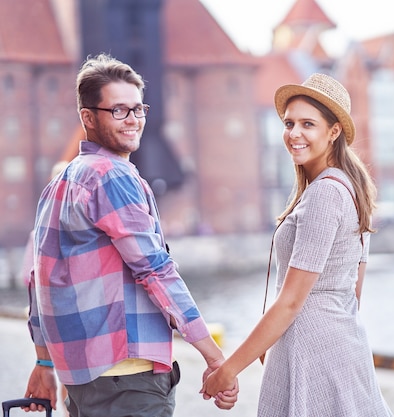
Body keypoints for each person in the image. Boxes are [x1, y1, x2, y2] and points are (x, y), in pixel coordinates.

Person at [23, 53, 238, 416]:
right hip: (128, 375)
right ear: (87, 117)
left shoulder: (59, 183)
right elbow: (155, 270)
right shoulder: (112, 176)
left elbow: (39, 279)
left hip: (81, 380)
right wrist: (216, 357)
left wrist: (45, 364)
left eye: (138, 109)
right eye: (119, 110)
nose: (133, 120)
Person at [201, 73, 394, 416]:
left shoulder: (324, 194)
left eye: (308, 124)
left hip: (311, 348)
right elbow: (354, 293)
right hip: (340, 343)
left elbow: (291, 302)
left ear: (334, 132)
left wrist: (228, 370)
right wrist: (273, 341)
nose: (294, 133)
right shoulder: (350, 189)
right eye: (289, 123)